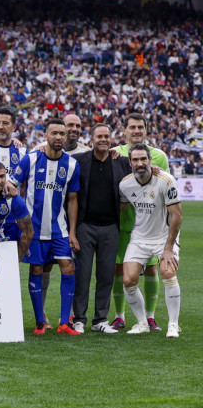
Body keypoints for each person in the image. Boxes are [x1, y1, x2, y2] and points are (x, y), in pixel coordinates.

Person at [11, 118, 81, 335]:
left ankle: (63, 323)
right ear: (45, 136)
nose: (59, 137)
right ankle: (40, 322)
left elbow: (72, 199)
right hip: (34, 230)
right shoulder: (30, 159)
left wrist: (72, 232)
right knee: (37, 269)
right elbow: (12, 187)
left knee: (68, 267)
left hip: (59, 230)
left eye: (62, 133)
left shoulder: (71, 165)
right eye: (54, 133)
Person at [110, 113, 170, 331]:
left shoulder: (159, 156)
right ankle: (119, 316)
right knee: (120, 270)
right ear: (124, 130)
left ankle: (150, 317)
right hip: (124, 222)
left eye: (140, 127)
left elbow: (167, 189)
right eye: (132, 127)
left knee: (152, 270)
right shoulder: (114, 154)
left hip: (152, 226)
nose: (136, 131)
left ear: (146, 129)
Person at [67, 123, 130, 334]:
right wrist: (73, 231)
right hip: (85, 227)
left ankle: (100, 319)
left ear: (111, 139)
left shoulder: (121, 163)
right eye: (99, 136)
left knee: (106, 276)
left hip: (111, 227)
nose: (103, 139)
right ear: (91, 139)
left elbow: (139, 177)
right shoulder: (79, 161)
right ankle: (79, 319)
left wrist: (155, 169)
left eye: (106, 136)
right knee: (82, 276)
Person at [118, 144, 183, 338]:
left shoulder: (165, 180)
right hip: (140, 237)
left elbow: (177, 216)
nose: (140, 163)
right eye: (135, 160)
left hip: (164, 236)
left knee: (167, 271)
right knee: (128, 279)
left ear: (150, 160)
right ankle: (142, 323)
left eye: (143, 159)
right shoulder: (125, 184)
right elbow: (121, 207)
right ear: (130, 162)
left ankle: (173, 324)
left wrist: (169, 248)